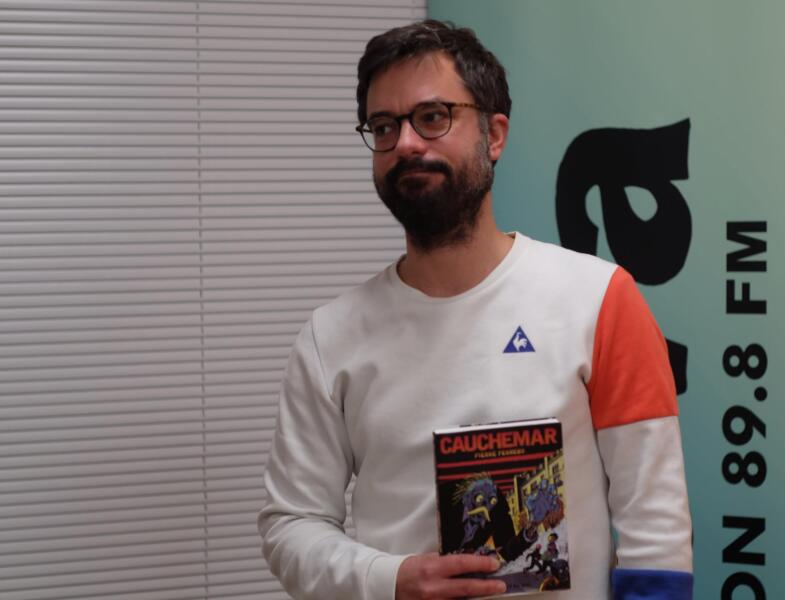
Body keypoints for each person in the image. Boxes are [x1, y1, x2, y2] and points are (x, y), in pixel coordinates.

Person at [258, 20, 693, 600]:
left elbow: (656, 529)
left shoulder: (598, 299)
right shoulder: (330, 337)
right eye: (384, 126)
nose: (406, 143)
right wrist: (389, 579)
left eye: (432, 117)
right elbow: (292, 525)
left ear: (494, 135)